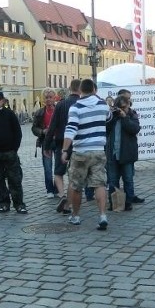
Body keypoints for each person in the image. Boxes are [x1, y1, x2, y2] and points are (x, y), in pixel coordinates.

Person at [61, 78, 111, 229]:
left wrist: (64, 150)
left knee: (76, 185)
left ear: (80, 90)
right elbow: (109, 118)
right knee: (99, 184)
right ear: (94, 90)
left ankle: (75, 216)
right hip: (98, 151)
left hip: (80, 152)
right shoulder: (103, 105)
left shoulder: (76, 108)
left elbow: (70, 130)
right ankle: (102, 215)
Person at [45, 79, 81, 212]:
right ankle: (70, 201)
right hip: (79, 144)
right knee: (74, 173)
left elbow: (52, 126)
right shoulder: (82, 104)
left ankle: (62, 195)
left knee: (58, 172)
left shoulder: (61, 105)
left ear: (70, 88)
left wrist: (46, 146)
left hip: (61, 143)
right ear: (80, 89)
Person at [105, 94, 140, 211]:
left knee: (128, 179)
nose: (121, 109)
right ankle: (114, 203)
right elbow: (105, 129)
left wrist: (125, 117)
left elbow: (134, 129)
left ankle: (128, 202)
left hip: (126, 153)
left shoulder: (132, 114)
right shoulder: (112, 117)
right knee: (113, 180)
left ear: (128, 105)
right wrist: (111, 115)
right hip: (113, 154)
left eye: (124, 107)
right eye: (119, 107)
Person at [32, 88, 57, 197]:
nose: (48, 99)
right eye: (46, 97)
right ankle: (49, 190)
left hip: (58, 141)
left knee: (58, 167)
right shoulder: (39, 112)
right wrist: (42, 131)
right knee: (47, 167)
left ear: (54, 98)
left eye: (50, 97)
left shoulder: (58, 110)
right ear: (43, 99)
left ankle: (57, 188)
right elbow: (34, 128)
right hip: (46, 142)